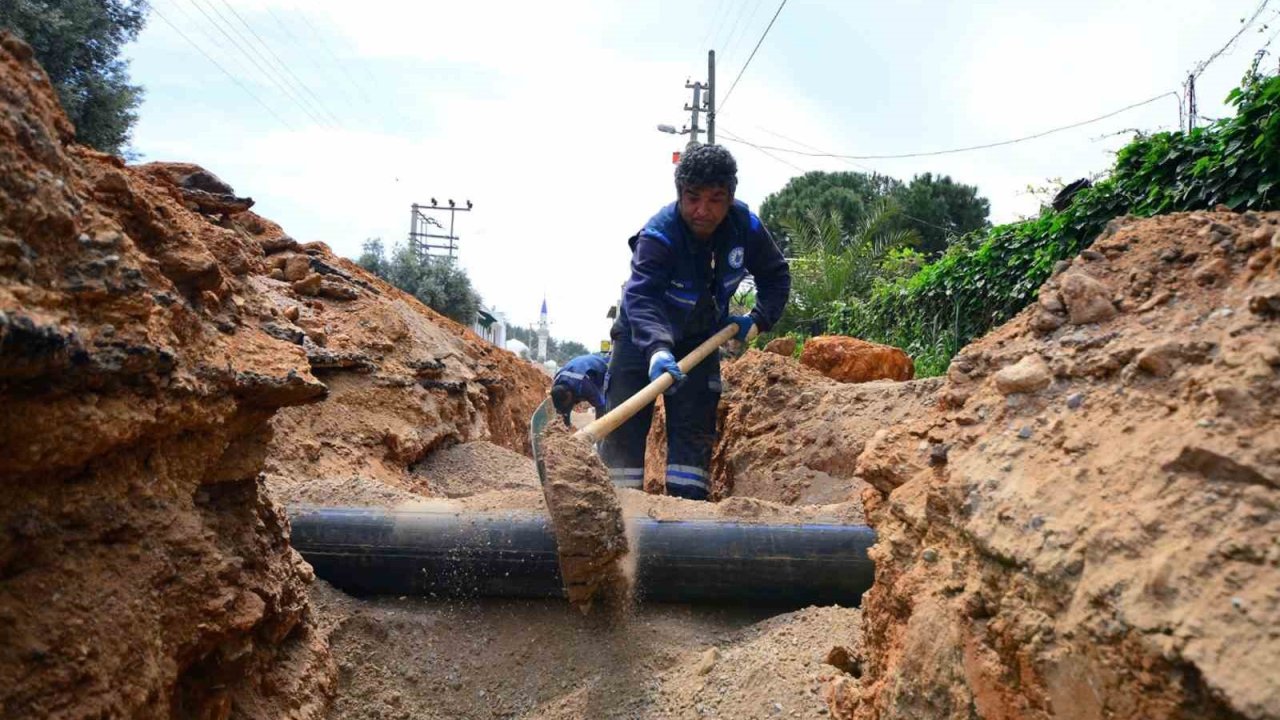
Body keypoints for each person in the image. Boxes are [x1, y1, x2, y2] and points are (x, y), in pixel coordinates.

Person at [601, 144, 790, 500]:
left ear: (730, 197)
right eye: (693, 198)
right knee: (623, 436)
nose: (703, 210)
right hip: (639, 338)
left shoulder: (745, 228)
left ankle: (685, 524)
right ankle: (619, 517)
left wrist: (758, 319)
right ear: (680, 195)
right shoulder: (659, 236)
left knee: (693, 437)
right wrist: (656, 350)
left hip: (701, 340)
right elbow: (641, 298)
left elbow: (776, 276)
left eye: (716, 199)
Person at [550, 352, 609, 426]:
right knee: (565, 406)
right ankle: (567, 425)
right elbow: (562, 408)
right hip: (578, 367)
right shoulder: (556, 382)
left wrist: (598, 428)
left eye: (567, 402)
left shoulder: (585, 385)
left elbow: (600, 405)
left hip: (599, 368)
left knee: (604, 399)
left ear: (569, 394)